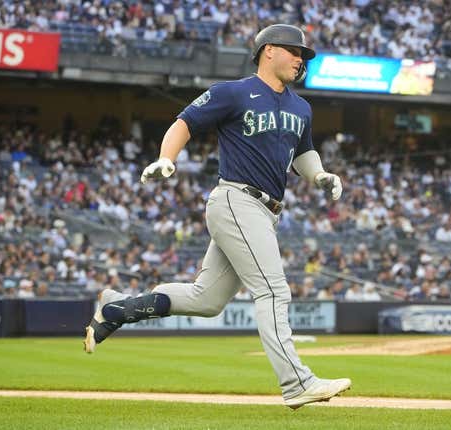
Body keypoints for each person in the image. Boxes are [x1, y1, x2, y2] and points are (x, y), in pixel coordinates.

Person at [83, 24, 350, 409]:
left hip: (266, 209)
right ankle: (296, 383)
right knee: (273, 290)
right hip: (236, 199)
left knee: (205, 299)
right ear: (268, 50)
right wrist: (166, 158)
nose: (300, 59)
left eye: (304, 55)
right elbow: (185, 122)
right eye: (294, 52)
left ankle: (117, 307)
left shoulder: (300, 107)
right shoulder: (233, 92)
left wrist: (320, 174)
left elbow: (303, 153)